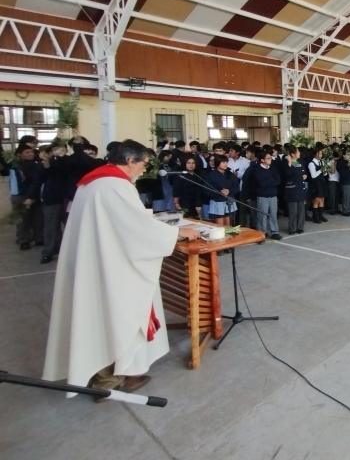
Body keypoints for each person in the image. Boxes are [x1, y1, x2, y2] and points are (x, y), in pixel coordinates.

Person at [43, 139, 199, 399]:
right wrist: (177, 232)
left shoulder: (91, 183)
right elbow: (137, 230)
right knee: (120, 316)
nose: (143, 170)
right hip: (115, 268)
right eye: (144, 164)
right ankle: (112, 379)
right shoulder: (116, 186)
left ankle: (102, 373)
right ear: (130, 161)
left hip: (96, 263)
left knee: (99, 317)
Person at [10, 144, 43, 251]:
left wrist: (31, 196)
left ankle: (39, 237)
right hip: (20, 195)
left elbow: (36, 181)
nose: (30, 154)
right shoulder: (15, 165)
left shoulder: (37, 165)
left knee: (37, 218)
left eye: (31, 152)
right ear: (20, 155)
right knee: (23, 220)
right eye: (27, 153)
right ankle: (24, 240)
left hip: (33, 194)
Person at [245, 149, 282, 240]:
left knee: (273, 214)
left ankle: (274, 232)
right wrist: (271, 182)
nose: (270, 160)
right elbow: (261, 182)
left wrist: (269, 182)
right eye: (268, 158)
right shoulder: (257, 170)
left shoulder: (273, 168)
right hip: (262, 196)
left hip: (273, 195)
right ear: (262, 160)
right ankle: (261, 233)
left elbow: (278, 180)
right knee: (262, 215)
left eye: (270, 158)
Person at [203, 154, 240, 236]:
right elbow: (206, 190)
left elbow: (236, 187)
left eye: (226, 162)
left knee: (228, 223)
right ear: (217, 163)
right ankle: (220, 240)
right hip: (217, 202)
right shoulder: (210, 175)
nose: (226, 164)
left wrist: (229, 191)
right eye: (223, 162)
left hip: (229, 201)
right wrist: (219, 192)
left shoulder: (230, 174)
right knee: (220, 224)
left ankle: (228, 241)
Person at [282, 144, 307, 234]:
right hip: (292, 189)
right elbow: (288, 174)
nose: (299, 153)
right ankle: (292, 228)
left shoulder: (298, 162)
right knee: (293, 211)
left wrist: (305, 175)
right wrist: (289, 163)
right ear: (292, 154)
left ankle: (300, 227)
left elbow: (303, 171)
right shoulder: (287, 163)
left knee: (301, 210)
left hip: (300, 188)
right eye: (298, 151)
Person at [308, 146, 328, 224]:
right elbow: (313, 175)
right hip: (316, 183)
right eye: (319, 153)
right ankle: (315, 216)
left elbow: (325, 173)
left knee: (322, 199)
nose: (321, 155)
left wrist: (326, 170)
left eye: (321, 153)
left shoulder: (322, 162)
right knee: (316, 200)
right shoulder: (311, 164)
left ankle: (321, 215)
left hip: (322, 182)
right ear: (315, 154)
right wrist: (321, 170)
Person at [337, 147, 350, 217]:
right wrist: (349, 170)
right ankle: (345, 210)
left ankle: (349, 209)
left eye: (349, 154)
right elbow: (341, 173)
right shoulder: (341, 163)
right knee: (346, 197)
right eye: (347, 154)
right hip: (346, 182)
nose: (349, 156)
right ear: (343, 155)